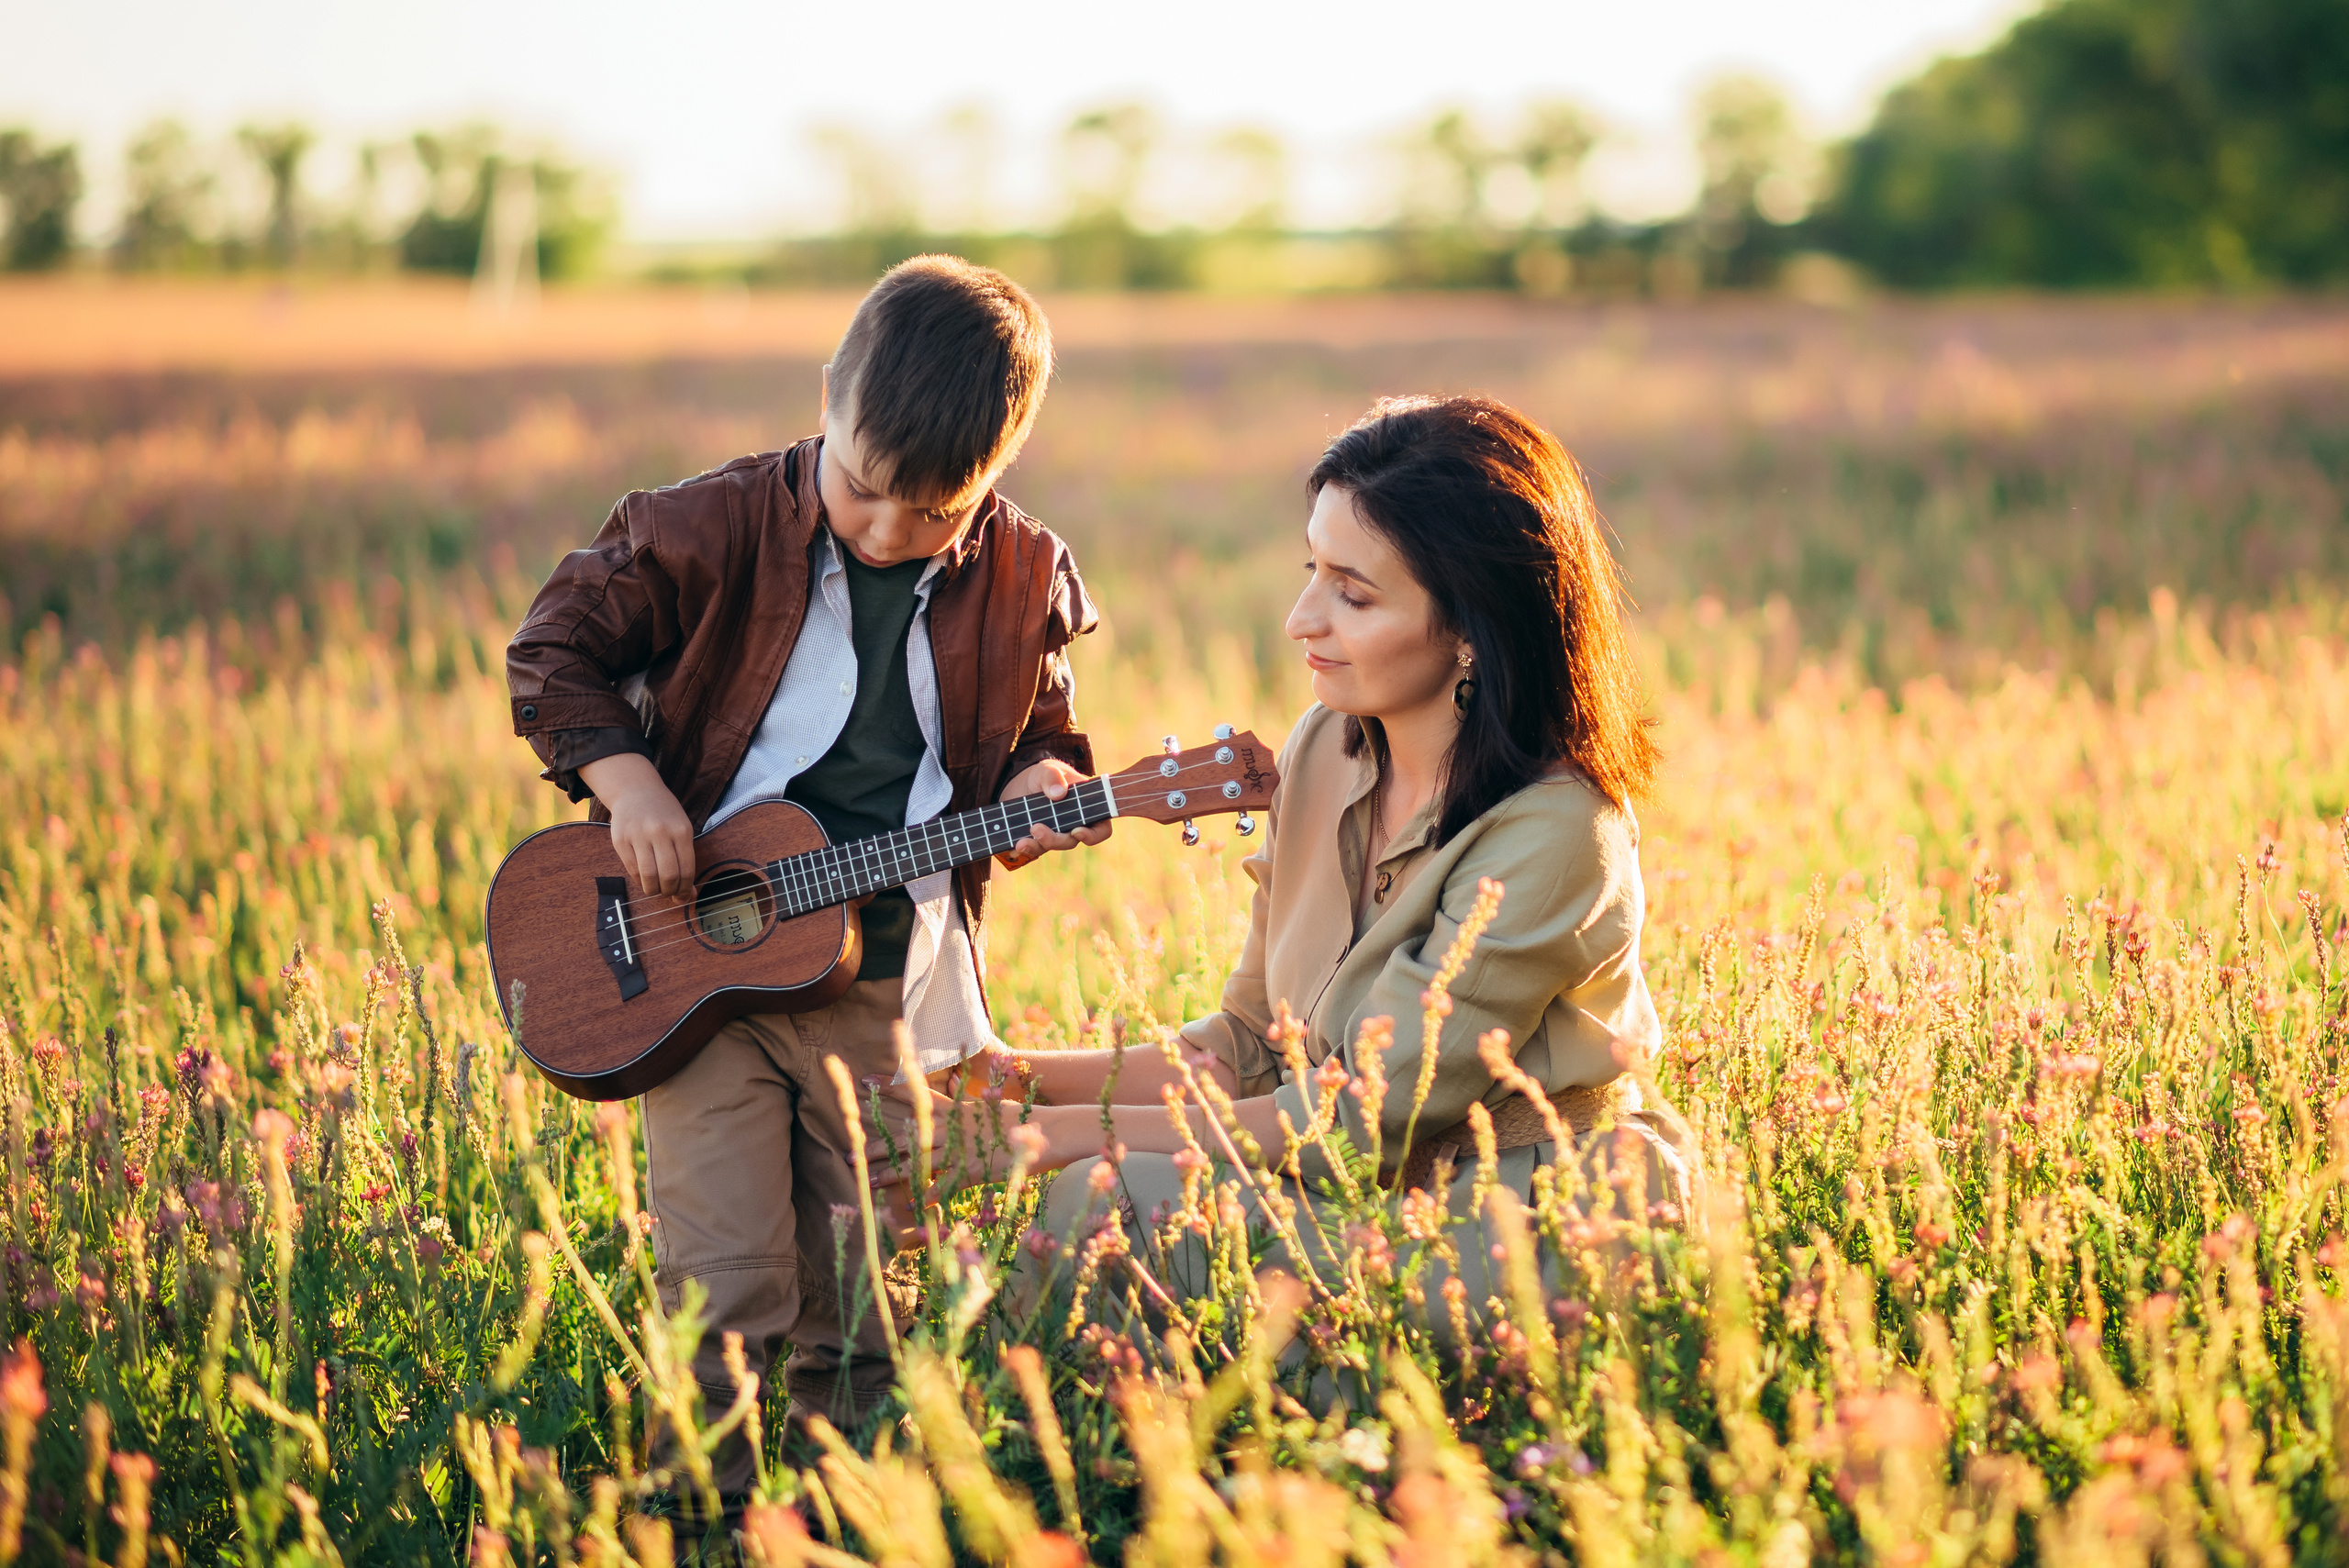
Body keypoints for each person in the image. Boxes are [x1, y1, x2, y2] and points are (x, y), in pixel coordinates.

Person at [505, 256, 1107, 1515]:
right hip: (697, 972)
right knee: (726, 1293)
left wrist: (1048, 780)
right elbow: (554, 651)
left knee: (868, 1288)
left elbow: (1047, 724)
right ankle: (701, 1521)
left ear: (999, 474)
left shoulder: (1020, 574)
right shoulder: (702, 525)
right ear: (826, 396)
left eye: (936, 514)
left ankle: (839, 1520)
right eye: (864, 489)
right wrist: (632, 788)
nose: (889, 531)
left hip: (881, 988)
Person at [887, 393, 1693, 1317]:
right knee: (1110, 1198)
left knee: (1099, 1198)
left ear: (1475, 623)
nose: (1301, 619)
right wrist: (1010, 1076)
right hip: (1356, 1192)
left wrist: (1026, 1138)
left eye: (1352, 594)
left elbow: (1354, 1123)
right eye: (1311, 569)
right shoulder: (1325, 746)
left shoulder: (1556, 832)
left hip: (1528, 1205)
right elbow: (1247, 1048)